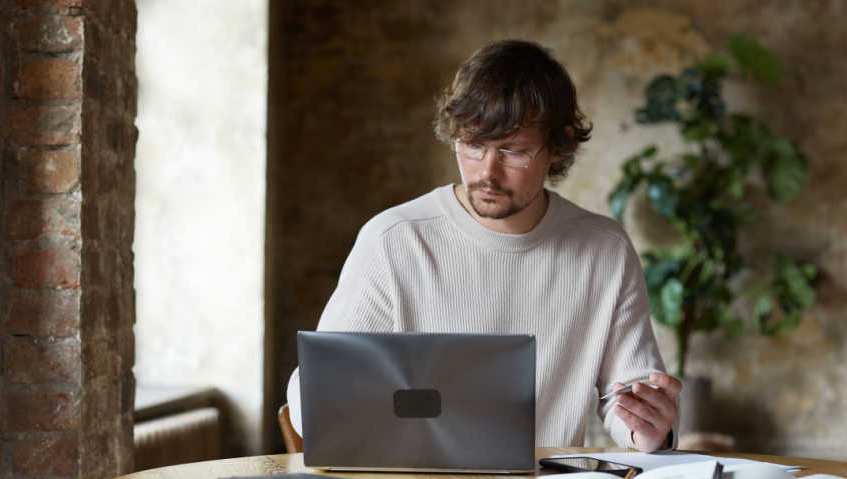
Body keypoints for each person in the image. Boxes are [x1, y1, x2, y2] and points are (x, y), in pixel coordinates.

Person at [287, 39, 680, 453]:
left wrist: (649, 429)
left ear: (558, 148)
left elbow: (631, 398)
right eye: (473, 145)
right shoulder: (395, 241)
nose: (487, 172)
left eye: (513, 151)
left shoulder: (604, 249)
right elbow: (314, 399)